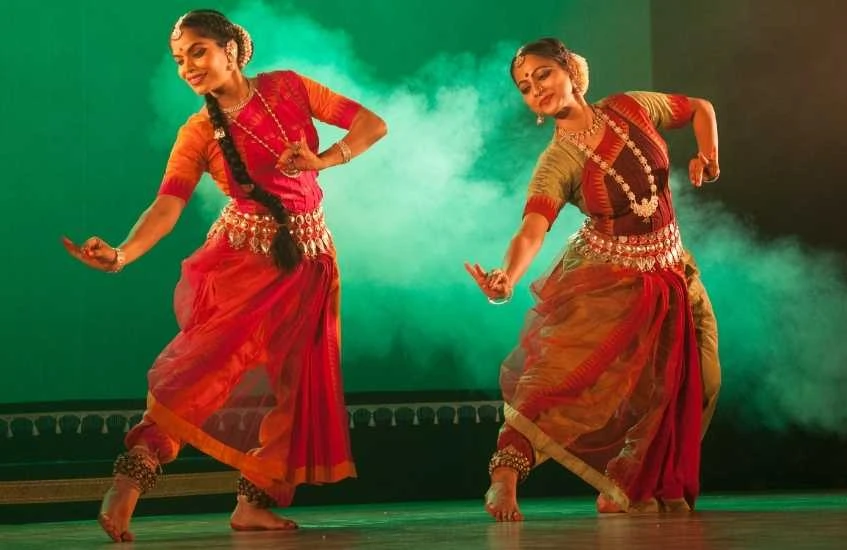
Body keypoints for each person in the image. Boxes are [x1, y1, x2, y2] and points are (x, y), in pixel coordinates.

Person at [61, 9, 387, 541]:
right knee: (205, 372)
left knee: (297, 388)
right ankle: (131, 480)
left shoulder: (289, 88)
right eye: (178, 59)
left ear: (231, 50)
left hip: (311, 263)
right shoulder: (198, 132)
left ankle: (254, 503)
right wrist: (121, 254)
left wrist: (323, 160)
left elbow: (372, 124)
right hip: (244, 264)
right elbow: (167, 205)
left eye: (197, 51)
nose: (187, 66)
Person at [465, 37, 722, 522]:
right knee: (562, 380)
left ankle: (631, 476)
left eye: (542, 74)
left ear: (569, 69)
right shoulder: (558, 161)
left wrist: (708, 153)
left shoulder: (631, 107)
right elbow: (532, 228)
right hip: (608, 278)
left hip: (672, 266)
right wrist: (508, 277)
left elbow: (700, 108)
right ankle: (505, 476)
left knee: (703, 379)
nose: (535, 89)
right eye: (524, 86)